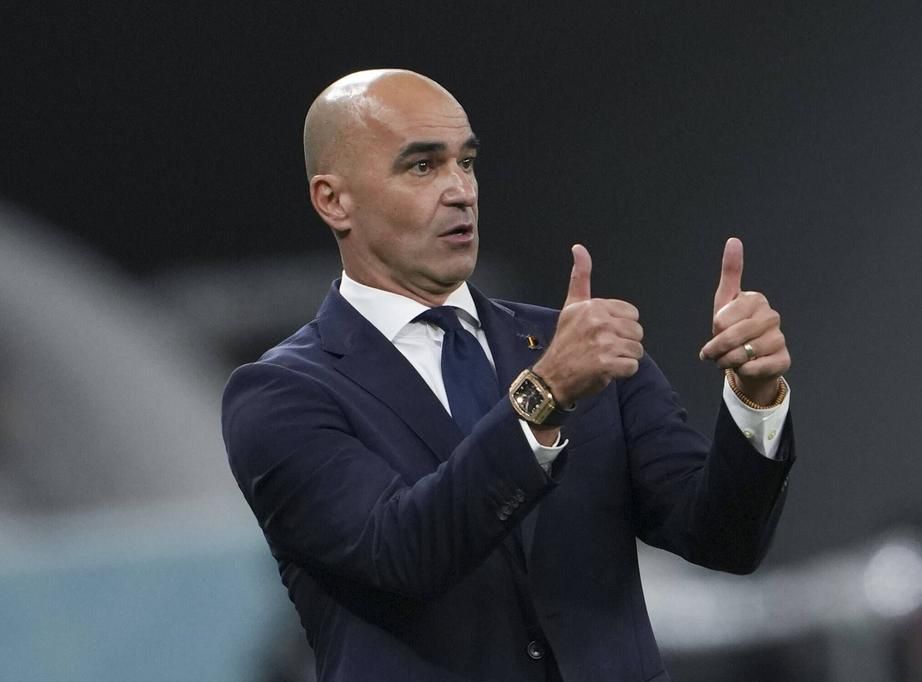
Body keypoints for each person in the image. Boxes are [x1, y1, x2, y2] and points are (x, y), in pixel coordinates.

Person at [221, 69, 795, 682]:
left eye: (466, 163)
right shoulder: (280, 395)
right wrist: (543, 397)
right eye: (422, 167)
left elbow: (723, 540)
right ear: (334, 200)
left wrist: (754, 400)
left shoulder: (577, 348)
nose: (460, 190)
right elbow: (402, 553)